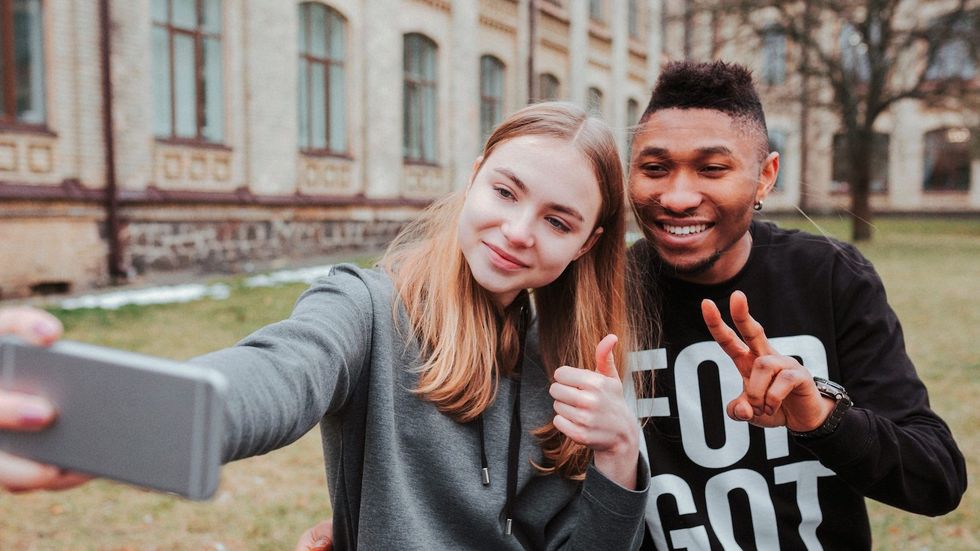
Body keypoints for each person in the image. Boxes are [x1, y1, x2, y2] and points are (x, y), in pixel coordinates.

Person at [0, 102, 651, 550]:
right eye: (506, 191)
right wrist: (106, 421)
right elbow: (279, 371)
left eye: (557, 220)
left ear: (588, 243)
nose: (517, 230)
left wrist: (619, 458)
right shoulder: (366, 307)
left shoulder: (577, 370)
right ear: (476, 176)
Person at [627, 60, 966, 550]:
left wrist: (823, 420)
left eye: (712, 168)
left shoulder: (829, 276)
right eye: (655, 168)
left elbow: (937, 478)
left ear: (765, 177)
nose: (677, 197)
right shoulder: (603, 289)